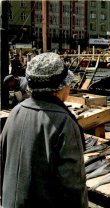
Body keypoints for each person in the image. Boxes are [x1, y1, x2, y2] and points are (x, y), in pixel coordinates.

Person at [0, 53, 88, 207]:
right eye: (68, 83)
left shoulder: (15, 112)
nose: (70, 87)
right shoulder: (64, 122)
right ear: (60, 87)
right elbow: (73, 187)